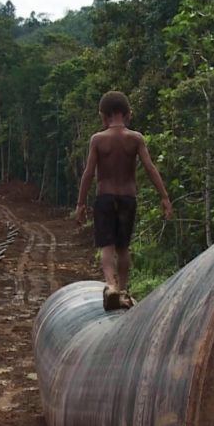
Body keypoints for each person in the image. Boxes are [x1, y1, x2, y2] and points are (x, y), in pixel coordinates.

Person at [75, 90, 173, 310]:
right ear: (128, 114)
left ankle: (110, 285)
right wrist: (164, 197)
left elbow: (89, 173)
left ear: (103, 115)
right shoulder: (135, 139)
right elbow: (150, 167)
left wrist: (81, 204)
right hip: (128, 199)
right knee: (123, 247)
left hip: (105, 198)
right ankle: (124, 290)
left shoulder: (98, 140)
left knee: (106, 247)